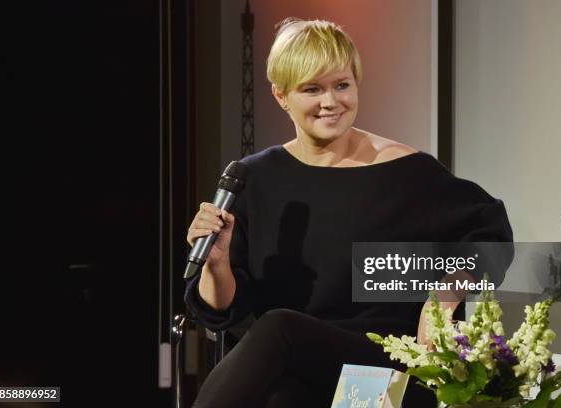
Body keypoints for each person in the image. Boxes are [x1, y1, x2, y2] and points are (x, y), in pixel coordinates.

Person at [184, 18, 513, 408]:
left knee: (279, 328)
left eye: (342, 85)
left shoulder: (407, 171)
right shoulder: (255, 179)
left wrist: (444, 294)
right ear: (281, 95)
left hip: (388, 373)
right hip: (297, 373)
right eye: (312, 89)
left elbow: (493, 234)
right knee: (281, 398)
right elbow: (220, 311)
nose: (331, 102)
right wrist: (216, 265)